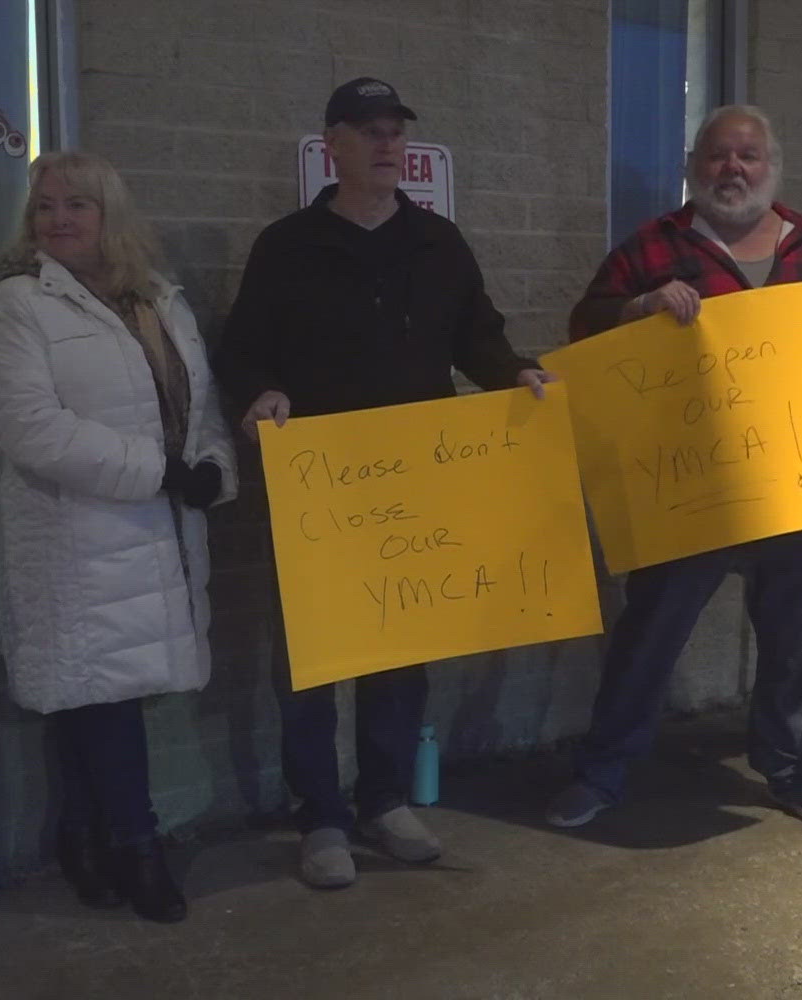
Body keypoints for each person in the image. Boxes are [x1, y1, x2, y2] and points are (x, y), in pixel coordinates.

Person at [213, 78, 551, 890]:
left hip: (415, 480)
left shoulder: (439, 244)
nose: (387, 145)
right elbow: (243, 350)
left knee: (401, 648)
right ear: (332, 143)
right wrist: (258, 394)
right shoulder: (287, 246)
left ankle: (384, 801)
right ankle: (321, 816)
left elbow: (480, 337)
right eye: (369, 131)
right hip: (320, 486)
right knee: (311, 658)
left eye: (396, 131)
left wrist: (517, 375)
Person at [542, 104, 802, 830]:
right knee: (650, 633)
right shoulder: (653, 249)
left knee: (792, 639)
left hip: (790, 487)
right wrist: (638, 308)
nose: (733, 169)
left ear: (771, 167)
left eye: (748, 156)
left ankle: (787, 769)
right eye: (719, 156)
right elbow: (583, 329)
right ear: (695, 166)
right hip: (685, 490)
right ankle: (605, 771)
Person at [0, 151, 237, 924]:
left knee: (96, 694)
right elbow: (27, 426)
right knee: (99, 695)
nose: (57, 219)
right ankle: (135, 844)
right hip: (74, 528)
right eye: (44, 207)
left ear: (109, 215)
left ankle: (84, 835)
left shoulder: (161, 300)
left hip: (154, 529)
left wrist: (212, 471)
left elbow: (201, 408)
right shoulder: (20, 304)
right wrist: (158, 471)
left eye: (76, 205)